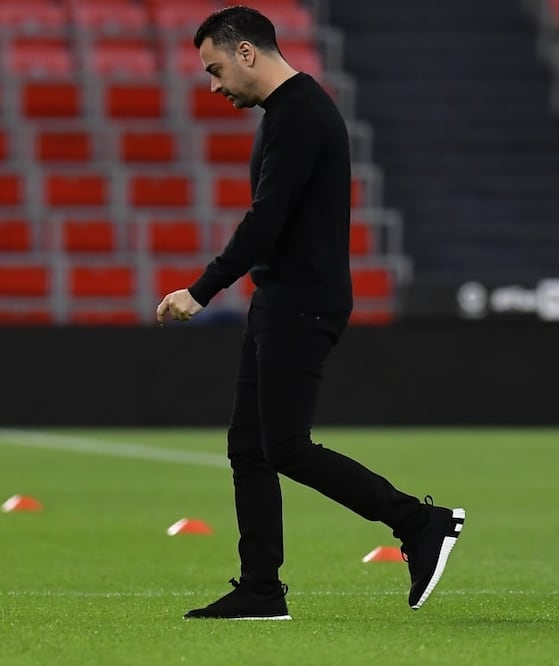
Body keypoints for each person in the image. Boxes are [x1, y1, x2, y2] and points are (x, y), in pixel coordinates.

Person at [156, 6, 465, 620]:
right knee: (249, 447)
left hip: (302, 302)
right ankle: (260, 590)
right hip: (280, 299)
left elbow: (266, 222)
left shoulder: (299, 114)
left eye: (216, 69)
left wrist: (202, 289)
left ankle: (418, 521)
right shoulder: (288, 112)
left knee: (286, 447)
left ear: (247, 52)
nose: (214, 86)